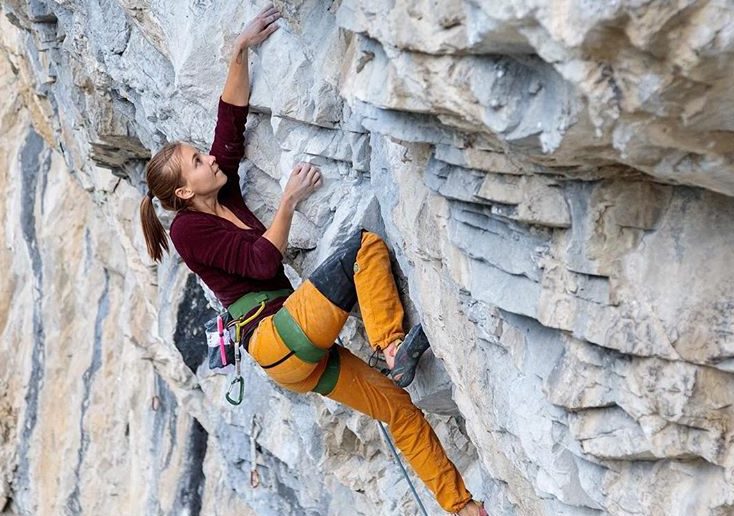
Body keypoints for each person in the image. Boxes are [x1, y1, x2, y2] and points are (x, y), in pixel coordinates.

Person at [139, 5, 487, 515]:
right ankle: (392, 345)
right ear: (185, 191)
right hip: (276, 337)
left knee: (398, 411)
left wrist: (240, 52)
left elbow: (228, 127)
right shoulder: (191, 231)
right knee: (362, 250)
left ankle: (464, 509)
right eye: (197, 160)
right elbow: (260, 263)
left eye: (200, 154)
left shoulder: (220, 193)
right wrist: (287, 201)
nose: (209, 158)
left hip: (296, 353)